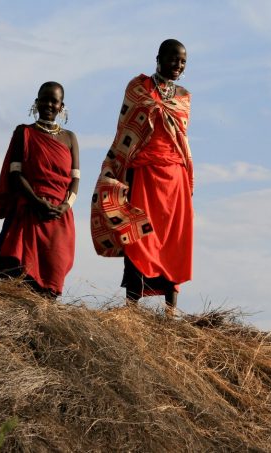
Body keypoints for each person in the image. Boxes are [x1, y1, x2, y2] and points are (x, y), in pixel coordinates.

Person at [90, 39, 193, 315]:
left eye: (182, 61)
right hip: (143, 174)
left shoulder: (183, 97)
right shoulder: (138, 88)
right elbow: (127, 128)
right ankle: (131, 307)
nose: (177, 65)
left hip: (175, 179)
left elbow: (181, 140)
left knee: (173, 242)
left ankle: (171, 311)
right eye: (173, 59)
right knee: (138, 236)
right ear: (158, 58)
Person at [0, 81, 80, 297]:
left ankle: (46, 322)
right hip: (29, 210)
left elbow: (75, 178)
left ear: (61, 105)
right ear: (36, 102)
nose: (48, 104)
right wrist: (36, 201)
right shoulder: (25, 133)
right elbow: (16, 173)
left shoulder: (70, 138)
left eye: (54, 101)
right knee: (21, 276)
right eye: (44, 99)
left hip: (59, 216)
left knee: (52, 272)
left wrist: (66, 206)